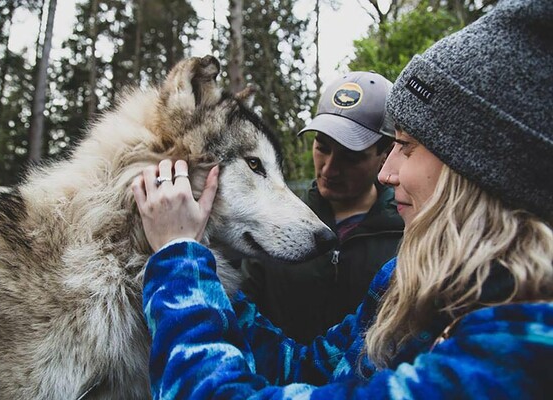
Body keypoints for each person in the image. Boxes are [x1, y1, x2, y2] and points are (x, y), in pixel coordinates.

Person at [132, 0, 553, 397]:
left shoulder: (516, 357)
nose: (388, 173)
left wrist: (179, 261)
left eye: (406, 148)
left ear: (477, 167)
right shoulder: (415, 285)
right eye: (322, 146)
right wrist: (211, 283)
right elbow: (303, 370)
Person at [241, 71, 404, 343]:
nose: (329, 168)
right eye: (322, 147)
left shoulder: (407, 238)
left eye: (351, 157)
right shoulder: (276, 222)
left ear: (384, 155)